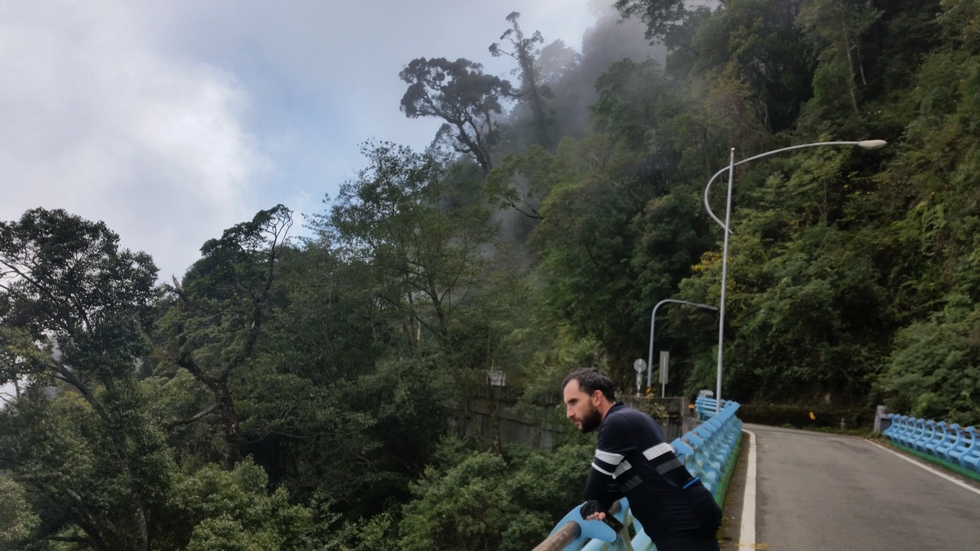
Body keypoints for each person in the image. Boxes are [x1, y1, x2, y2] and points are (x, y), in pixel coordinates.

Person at [562, 367, 722, 551]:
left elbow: (594, 491)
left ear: (597, 397)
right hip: (688, 518)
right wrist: (600, 499)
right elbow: (635, 479)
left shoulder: (615, 424)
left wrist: (598, 500)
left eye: (573, 402)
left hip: (681, 527)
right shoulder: (633, 417)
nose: (569, 413)